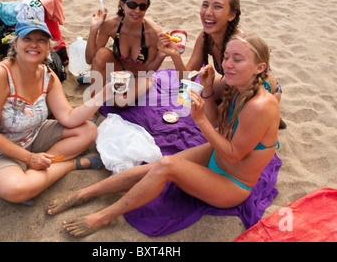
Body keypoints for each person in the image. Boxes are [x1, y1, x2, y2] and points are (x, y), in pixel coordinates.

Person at [46, 33, 280, 237]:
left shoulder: (260, 105)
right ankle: (85, 193)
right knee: (155, 166)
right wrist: (207, 90)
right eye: (226, 57)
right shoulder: (238, 87)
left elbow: (234, 154)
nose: (227, 64)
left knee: (167, 164)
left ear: (260, 67)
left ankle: (104, 216)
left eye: (237, 59)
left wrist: (199, 121)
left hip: (232, 183)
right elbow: (216, 122)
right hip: (218, 156)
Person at [0, 20, 113, 204]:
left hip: (32, 134)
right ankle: (71, 165)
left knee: (88, 130)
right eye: (27, 38)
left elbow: (68, 118)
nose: (34, 44)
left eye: (41, 40)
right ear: (15, 44)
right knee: (16, 189)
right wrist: (29, 158)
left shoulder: (48, 76)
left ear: (48, 49)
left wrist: (103, 94)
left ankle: (37, 174)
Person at [158, 0, 283, 104]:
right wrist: (175, 55)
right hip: (233, 81)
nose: (208, 12)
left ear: (231, 15)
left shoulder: (239, 43)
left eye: (217, 7)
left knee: (219, 115)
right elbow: (187, 79)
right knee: (192, 94)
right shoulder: (205, 37)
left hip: (259, 89)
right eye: (205, 5)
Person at [85, 0, 165, 108]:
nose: (137, 10)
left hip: (142, 76)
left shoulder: (152, 33)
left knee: (119, 103)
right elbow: (90, 59)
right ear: (122, 4)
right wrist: (93, 30)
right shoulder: (111, 25)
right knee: (101, 53)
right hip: (118, 71)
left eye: (142, 6)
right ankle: (92, 108)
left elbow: (148, 70)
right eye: (132, 5)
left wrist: (161, 55)